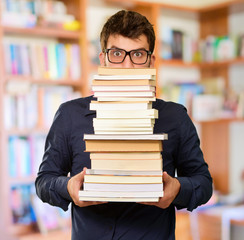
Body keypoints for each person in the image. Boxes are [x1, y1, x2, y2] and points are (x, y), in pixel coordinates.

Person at [35, 10, 213, 240]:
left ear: (151, 61)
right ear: (103, 59)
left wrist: (178, 188)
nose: (127, 66)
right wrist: (68, 187)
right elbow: (44, 181)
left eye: (138, 54)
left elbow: (203, 183)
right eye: (117, 53)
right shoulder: (70, 115)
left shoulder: (175, 117)